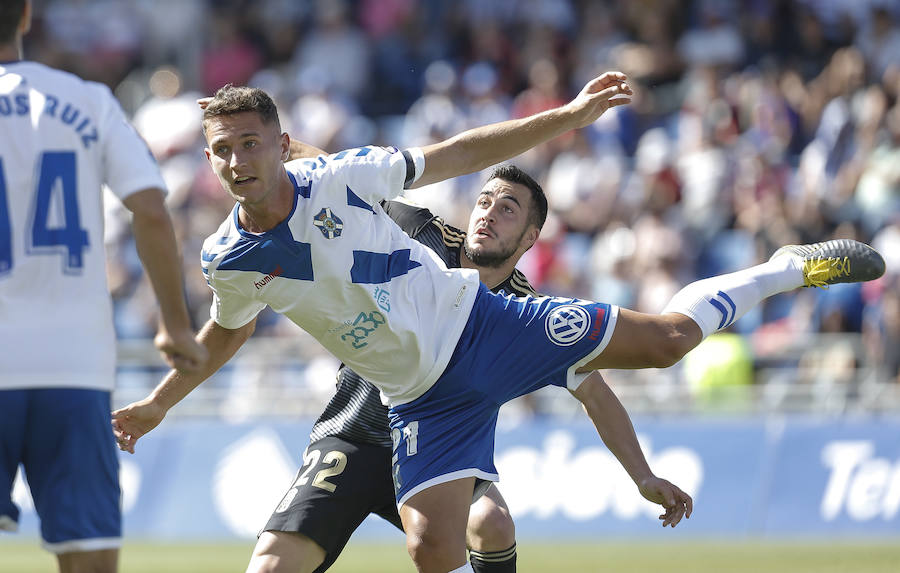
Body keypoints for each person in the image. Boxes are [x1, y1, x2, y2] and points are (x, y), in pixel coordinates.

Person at [112, 79, 885, 573]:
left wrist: (568, 116)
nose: (239, 160)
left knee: (670, 341)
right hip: (417, 399)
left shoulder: (350, 183)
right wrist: (159, 403)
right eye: (224, 150)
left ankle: (785, 265)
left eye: (253, 143)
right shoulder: (231, 258)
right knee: (434, 549)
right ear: (210, 162)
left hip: (481, 330)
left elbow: (457, 151)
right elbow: (223, 334)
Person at [239, 157, 685, 573]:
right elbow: (337, 175)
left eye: (507, 209)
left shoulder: (526, 312)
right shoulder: (417, 232)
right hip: (355, 435)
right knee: (271, 567)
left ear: (531, 238)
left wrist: (643, 476)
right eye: (484, 201)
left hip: (437, 450)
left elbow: (596, 396)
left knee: (492, 524)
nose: (488, 213)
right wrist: (267, 153)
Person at [0, 2, 207, 572]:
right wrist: (174, 321)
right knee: (88, 554)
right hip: (72, 365)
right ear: (25, 16)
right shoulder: (86, 100)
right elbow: (149, 208)